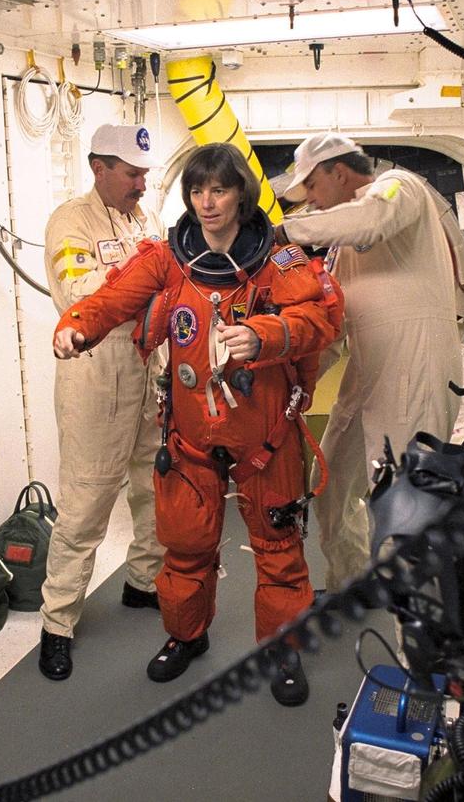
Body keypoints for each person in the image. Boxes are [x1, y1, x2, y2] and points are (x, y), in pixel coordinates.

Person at [52, 143, 342, 706]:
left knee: (278, 549)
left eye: (220, 190)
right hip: (190, 438)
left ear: (241, 196)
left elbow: (320, 316)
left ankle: (282, 651)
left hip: (266, 436)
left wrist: (266, 335)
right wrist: (78, 327)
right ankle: (186, 637)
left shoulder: (276, 260)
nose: (207, 203)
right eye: (197, 191)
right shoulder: (168, 258)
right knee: (184, 547)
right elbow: (112, 298)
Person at [277, 132, 464, 592]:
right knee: (330, 487)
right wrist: (292, 384)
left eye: (314, 191)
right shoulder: (343, 251)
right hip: (367, 380)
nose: (314, 205)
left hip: (415, 375)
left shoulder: (400, 189)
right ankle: (352, 584)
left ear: (337, 172)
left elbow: (371, 219)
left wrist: (283, 231)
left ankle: (418, 640)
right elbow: (333, 329)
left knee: (408, 510)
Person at [37, 124, 167, 682]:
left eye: (144, 173)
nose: (142, 183)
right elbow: (81, 294)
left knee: (155, 486)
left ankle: (142, 582)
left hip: (148, 372)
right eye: (132, 173)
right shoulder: (72, 221)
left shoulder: (146, 219)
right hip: (97, 379)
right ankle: (57, 623)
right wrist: (145, 283)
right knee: (86, 506)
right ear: (100, 167)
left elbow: (167, 283)